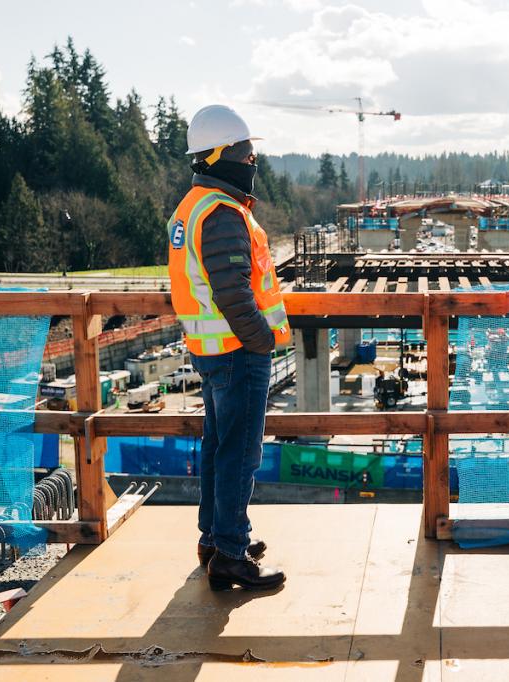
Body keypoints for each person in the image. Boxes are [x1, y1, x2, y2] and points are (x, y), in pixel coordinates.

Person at [167, 104, 291, 591]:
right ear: (221, 157)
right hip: (238, 351)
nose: (253, 161)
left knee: (219, 446)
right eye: (246, 152)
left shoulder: (191, 207)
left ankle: (216, 539)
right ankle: (232, 557)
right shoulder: (220, 213)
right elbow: (234, 292)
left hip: (212, 348)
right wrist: (262, 341)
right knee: (240, 453)